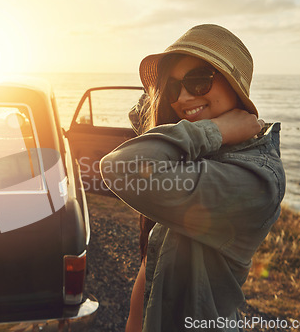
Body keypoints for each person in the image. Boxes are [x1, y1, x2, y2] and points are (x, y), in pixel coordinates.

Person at [100, 24, 285, 331]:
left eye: (199, 81)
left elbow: (121, 168)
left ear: (234, 85)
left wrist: (216, 130)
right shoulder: (198, 150)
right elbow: (142, 111)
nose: (182, 98)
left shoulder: (255, 179)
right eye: (172, 88)